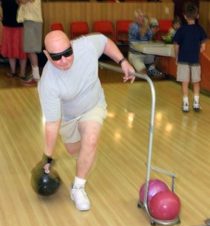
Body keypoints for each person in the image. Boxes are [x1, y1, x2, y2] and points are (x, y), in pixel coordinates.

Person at [37, 30, 135, 211]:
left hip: (93, 106)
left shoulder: (86, 46)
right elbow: (52, 123)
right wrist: (47, 158)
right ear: (47, 56)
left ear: (72, 46)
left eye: (67, 53)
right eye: (57, 57)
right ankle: (86, 156)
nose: (64, 60)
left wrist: (123, 61)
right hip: (68, 117)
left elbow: (105, 42)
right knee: (75, 150)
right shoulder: (48, 83)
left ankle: (78, 188)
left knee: (90, 140)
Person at [173, 2, 207, 112]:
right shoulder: (200, 29)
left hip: (183, 60)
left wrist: (177, 57)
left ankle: (186, 104)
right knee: (196, 82)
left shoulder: (181, 30)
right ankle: (196, 103)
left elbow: (176, 45)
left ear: (184, 16)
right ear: (197, 15)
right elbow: (203, 46)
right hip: (195, 60)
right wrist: (200, 48)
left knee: (185, 82)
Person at [128, 9, 164, 78]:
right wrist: (147, 25)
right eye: (139, 16)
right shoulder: (133, 26)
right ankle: (135, 69)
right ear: (135, 18)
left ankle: (151, 68)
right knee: (144, 75)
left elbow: (149, 38)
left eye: (142, 16)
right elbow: (141, 34)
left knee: (159, 53)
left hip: (146, 54)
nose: (141, 18)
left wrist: (153, 31)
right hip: (135, 55)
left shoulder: (145, 26)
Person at [17, 0, 43, 85]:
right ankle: (35, 75)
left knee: (31, 50)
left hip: (33, 21)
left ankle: (36, 77)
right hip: (30, 20)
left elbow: (22, 1)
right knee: (30, 50)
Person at [0, 0, 27, 79]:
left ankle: (22, 73)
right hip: (7, 26)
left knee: (21, 50)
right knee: (10, 49)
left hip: (19, 26)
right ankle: (13, 72)